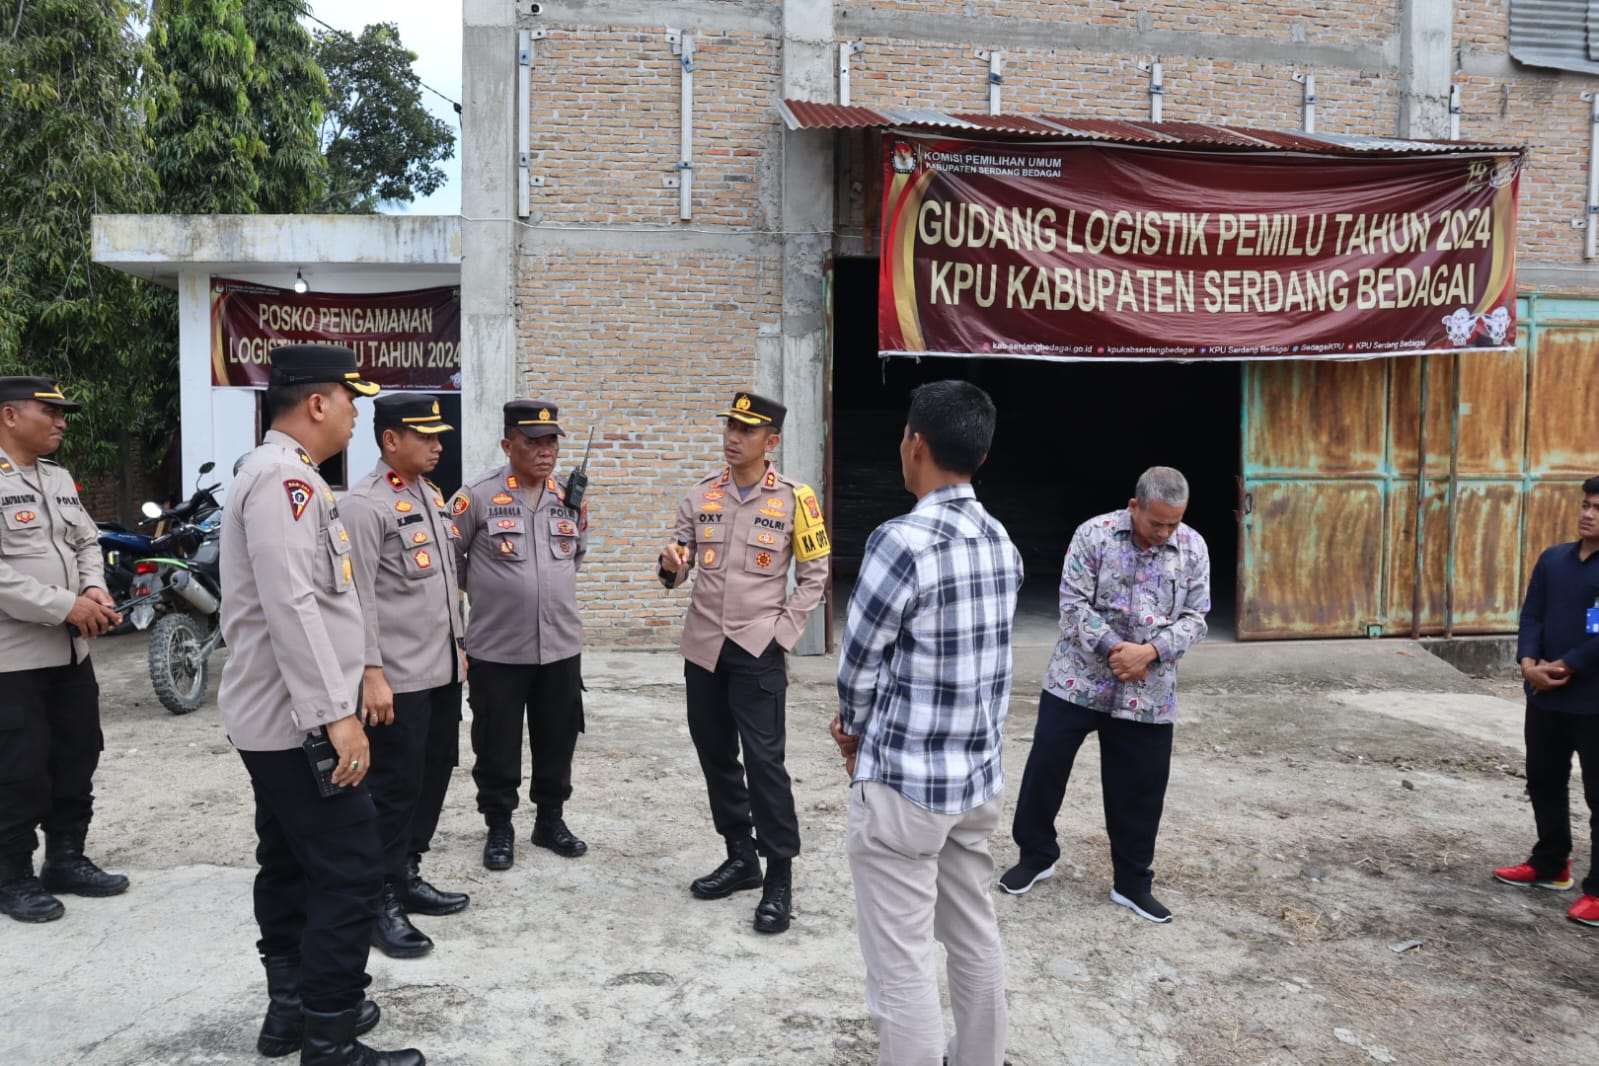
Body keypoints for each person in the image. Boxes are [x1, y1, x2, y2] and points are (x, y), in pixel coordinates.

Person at [219, 345, 423, 1065]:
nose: (355, 414)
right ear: (316, 404)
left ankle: (292, 1010)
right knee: (350, 866)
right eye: (350, 400)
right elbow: (291, 603)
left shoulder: (286, 476)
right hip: (297, 718)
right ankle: (330, 1036)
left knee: (288, 857)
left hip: (276, 716)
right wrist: (333, 717)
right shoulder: (284, 482)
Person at [832, 379, 1022, 1066]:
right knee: (972, 932)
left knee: (901, 958)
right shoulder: (1001, 540)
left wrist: (852, 731)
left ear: (915, 444)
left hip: (906, 786)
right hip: (974, 782)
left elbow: (857, 665)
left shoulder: (900, 541)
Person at [999, 466, 1210, 925]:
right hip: (1077, 680)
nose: (1166, 532)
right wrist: (1117, 649)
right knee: (1045, 770)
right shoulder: (1093, 535)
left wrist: (1150, 653)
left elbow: (1197, 617)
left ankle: (1132, 883)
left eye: (1174, 523)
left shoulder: (1193, 547)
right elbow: (1072, 605)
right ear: (1134, 506)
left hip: (1148, 693)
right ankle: (1036, 856)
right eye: (1157, 522)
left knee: (1140, 788)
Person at [657, 389, 830, 935]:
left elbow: (815, 574)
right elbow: (676, 571)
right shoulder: (701, 496)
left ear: (771, 441)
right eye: (730, 428)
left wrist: (783, 632)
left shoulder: (796, 499)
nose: (733, 438)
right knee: (715, 756)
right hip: (704, 648)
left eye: (746, 430)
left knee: (764, 763)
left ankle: (779, 873)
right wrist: (670, 565)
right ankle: (740, 856)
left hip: (758, 649)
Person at [342, 394, 470, 961]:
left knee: (432, 774)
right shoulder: (365, 504)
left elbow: (443, 585)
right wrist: (371, 671)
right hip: (396, 678)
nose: (438, 444)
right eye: (426, 435)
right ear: (391, 440)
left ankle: (407, 870)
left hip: (440, 670)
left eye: (440, 435)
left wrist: (459, 649)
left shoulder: (431, 495)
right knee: (393, 789)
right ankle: (379, 899)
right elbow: (357, 597)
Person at [0, 377, 127, 924]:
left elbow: (86, 540)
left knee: (78, 754)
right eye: (49, 411)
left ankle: (67, 859)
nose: (61, 421)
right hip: (13, 659)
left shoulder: (56, 477)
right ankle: (12, 877)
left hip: (71, 653)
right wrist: (65, 605)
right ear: (9, 415)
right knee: (18, 769)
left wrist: (94, 589)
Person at [449, 399, 589, 870]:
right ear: (508, 444)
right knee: (496, 743)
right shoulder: (477, 496)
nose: (545, 451)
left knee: (557, 739)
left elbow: (575, 556)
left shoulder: (570, 496)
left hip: (560, 647)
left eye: (551, 441)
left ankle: (550, 820)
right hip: (497, 650)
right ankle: (499, 827)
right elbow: (452, 566)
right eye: (533, 442)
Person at [1492, 475, 1599, 928]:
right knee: (1543, 780)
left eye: (1598, 508)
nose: (1588, 513)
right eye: (1587, 504)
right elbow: (1532, 612)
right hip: (1545, 697)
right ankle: (1551, 862)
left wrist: (1567, 666)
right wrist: (1528, 661)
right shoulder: (1554, 559)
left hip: (1592, 700)